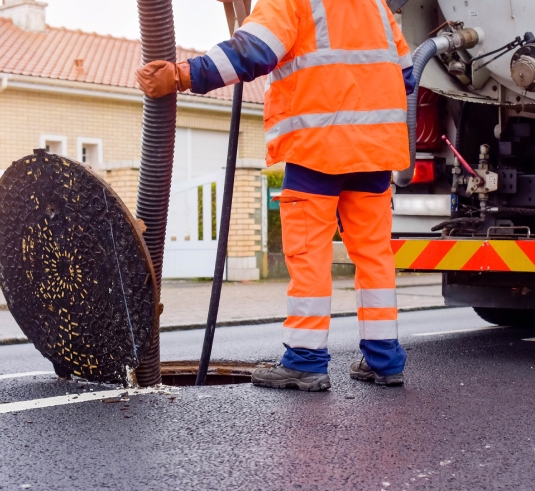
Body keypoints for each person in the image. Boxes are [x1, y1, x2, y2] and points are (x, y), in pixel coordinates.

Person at [136, 0, 415, 391]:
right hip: (376, 152)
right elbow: (405, 74)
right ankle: (384, 360)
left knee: (308, 255)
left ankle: (305, 361)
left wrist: (183, 75)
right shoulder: (375, 6)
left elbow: (254, 50)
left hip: (317, 147)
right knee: (374, 256)